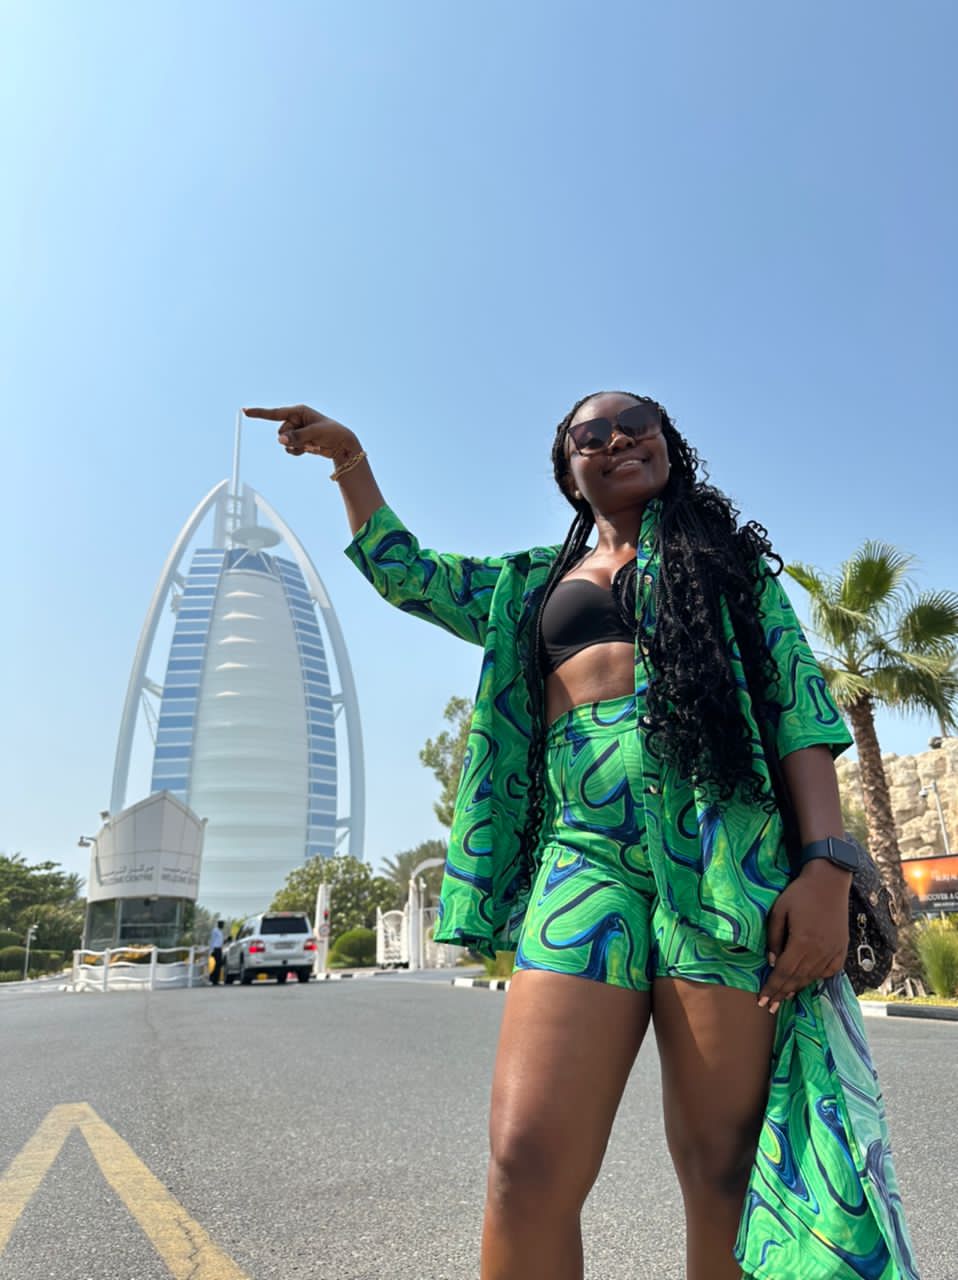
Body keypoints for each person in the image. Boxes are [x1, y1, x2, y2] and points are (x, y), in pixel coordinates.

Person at [244, 396, 919, 1280]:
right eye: (589, 435)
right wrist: (350, 461)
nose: (617, 437)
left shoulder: (730, 567)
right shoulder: (528, 583)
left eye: (636, 421)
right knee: (525, 1163)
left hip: (722, 853)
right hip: (584, 858)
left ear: (669, 444)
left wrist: (828, 865)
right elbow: (410, 574)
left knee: (725, 1169)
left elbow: (800, 711)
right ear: (568, 471)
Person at [209, 919, 225, 986]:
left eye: (223, 924)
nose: (223, 926)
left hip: (219, 949)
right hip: (216, 949)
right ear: (219, 924)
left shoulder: (221, 932)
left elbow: (220, 941)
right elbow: (212, 940)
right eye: (222, 924)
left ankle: (214, 979)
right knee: (218, 964)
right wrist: (212, 950)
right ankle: (213, 979)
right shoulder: (215, 931)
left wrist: (226, 940)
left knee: (219, 964)